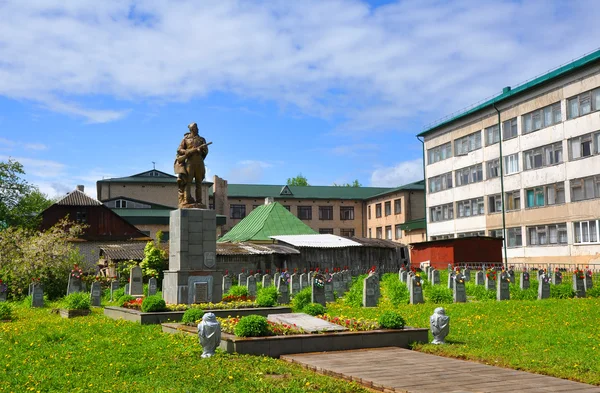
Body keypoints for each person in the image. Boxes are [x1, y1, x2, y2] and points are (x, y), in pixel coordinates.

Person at [175, 122, 209, 206]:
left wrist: (201, 150)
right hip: (190, 162)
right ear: (191, 129)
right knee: (188, 182)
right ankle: (186, 200)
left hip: (199, 162)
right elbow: (179, 150)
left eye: (197, 128)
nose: (197, 129)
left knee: (199, 183)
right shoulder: (185, 139)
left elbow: (206, 151)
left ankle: (199, 200)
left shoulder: (201, 139)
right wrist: (187, 151)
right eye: (195, 128)